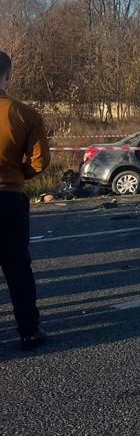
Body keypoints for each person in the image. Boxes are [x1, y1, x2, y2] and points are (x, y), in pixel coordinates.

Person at [0, 51, 49, 351]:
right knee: (18, 268)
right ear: (6, 77)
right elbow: (40, 162)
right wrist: (21, 173)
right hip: (8, 198)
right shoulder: (24, 114)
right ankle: (28, 331)